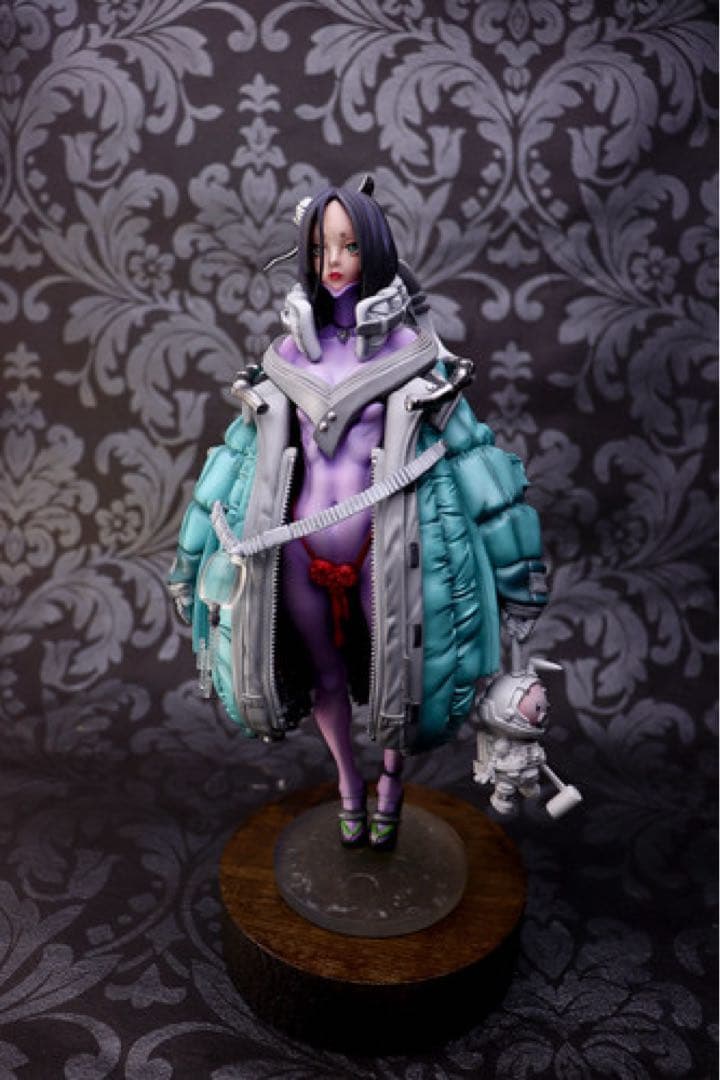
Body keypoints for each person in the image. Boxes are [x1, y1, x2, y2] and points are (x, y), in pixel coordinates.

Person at [168, 180, 548, 850]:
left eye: (347, 245)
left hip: (389, 549)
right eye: (320, 247)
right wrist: (190, 557)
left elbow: (480, 466)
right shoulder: (287, 358)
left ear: (373, 249)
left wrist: (520, 577)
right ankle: (349, 782)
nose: (334, 261)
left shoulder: (414, 356)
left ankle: (391, 784)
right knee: (327, 677)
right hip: (297, 555)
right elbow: (229, 467)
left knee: (399, 678)